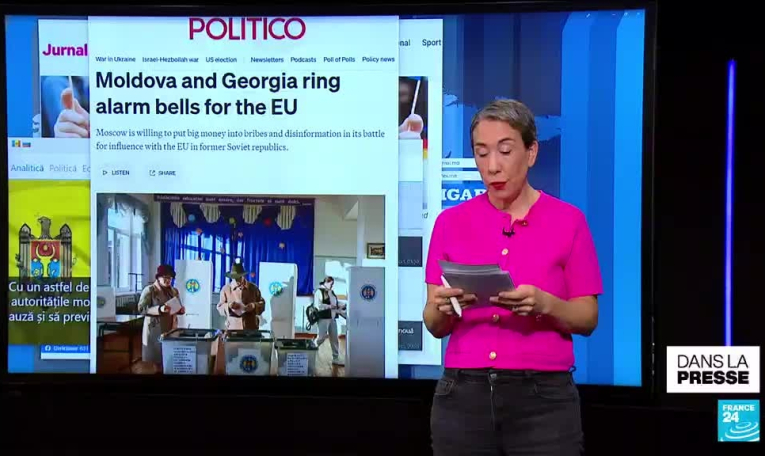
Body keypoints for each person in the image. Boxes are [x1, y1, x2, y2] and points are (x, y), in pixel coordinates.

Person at [424, 99, 602, 456]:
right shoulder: (449, 223)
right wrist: (443, 308)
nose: (492, 166)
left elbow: (587, 318)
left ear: (531, 152)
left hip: (543, 400)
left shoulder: (569, 221)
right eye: (481, 153)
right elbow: (433, 323)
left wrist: (545, 304)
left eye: (505, 151)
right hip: (462, 396)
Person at [137, 264, 185, 373]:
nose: (168, 280)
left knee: (169, 358)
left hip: (170, 327)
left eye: (170, 278)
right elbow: (141, 309)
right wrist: (159, 309)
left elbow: (177, 306)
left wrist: (180, 310)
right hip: (155, 328)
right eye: (165, 278)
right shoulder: (150, 290)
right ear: (158, 277)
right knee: (155, 360)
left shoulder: (174, 291)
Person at [217, 260, 266, 330]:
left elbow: (262, 304)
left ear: (242, 275)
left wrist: (254, 306)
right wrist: (229, 306)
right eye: (234, 277)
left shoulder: (253, 288)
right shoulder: (226, 289)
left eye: (238, 277)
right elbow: (220, 307)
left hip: (251, 327)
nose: (236, 280)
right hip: (233, 328)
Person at [313, 277, 345, 366]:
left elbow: (335, 303)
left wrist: (342, 305)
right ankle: (311, 350)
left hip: (333, 318)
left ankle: (336, 358)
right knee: (321, 337)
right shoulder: (319, 292)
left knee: (334, 338)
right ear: (326, 282)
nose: (332, 286)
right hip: (323, 318)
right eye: (331, 284)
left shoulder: (331, 292)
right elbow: (318, 306)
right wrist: (329, 306)